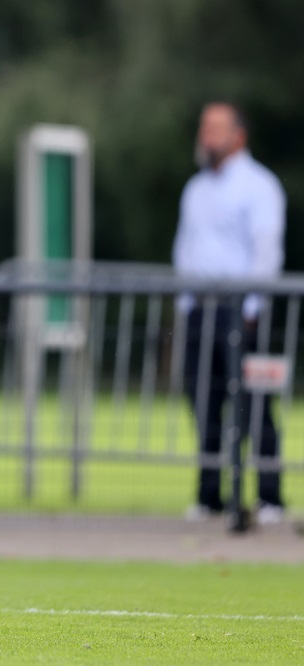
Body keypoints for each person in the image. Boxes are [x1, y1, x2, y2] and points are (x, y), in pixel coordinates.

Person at [172, 101, 286, 525]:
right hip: (201, 310)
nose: (206, 137)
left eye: (214, 128)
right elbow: (185, 249)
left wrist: (255, 306)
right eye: (203, 127)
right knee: (204, 403)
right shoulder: (196, 188)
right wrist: (185, 303)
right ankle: (208, 495)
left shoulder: (259, 186)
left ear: (238, 136)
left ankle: (270, 497)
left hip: (243, 311)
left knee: (254, 405)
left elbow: (265, 250)